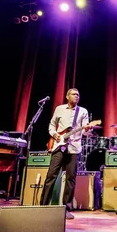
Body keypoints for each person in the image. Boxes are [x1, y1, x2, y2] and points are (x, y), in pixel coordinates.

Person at [40, 88, 92, 219]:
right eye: (74, 94)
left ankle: (66, 208)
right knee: (51, 176)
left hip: (74, 148)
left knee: (70, 179)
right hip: (59, 146)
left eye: (78, 95)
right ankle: (43, 206)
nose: (76, 96)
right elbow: (52, 125)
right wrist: (55, 134)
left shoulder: (83, 111)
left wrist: (87, 129)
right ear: (67, 96)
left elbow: (85, 132)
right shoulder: (59, 109)